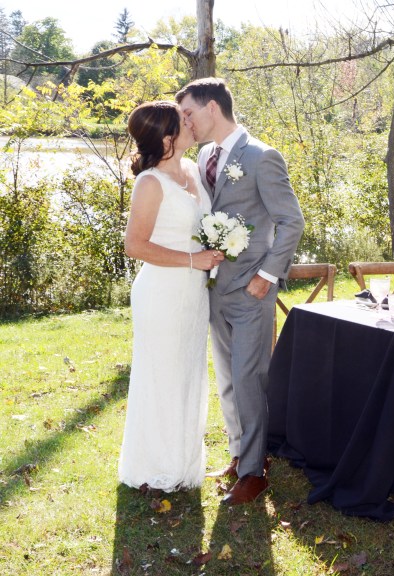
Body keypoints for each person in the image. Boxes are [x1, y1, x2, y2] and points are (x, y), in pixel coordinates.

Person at [176, 78, 305, 505]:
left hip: (251, 289)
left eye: (189, 113)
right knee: (229, 380)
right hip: (214, 288)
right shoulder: (205, 154)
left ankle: (255, 473)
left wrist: (267, 276)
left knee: (250, 379)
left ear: (212, 107)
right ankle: (239, 455)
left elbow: (291, 222)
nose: (186, 122)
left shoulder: (262, 156)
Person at [118, 101, 225, 492]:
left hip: (193, 294)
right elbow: (135, 245)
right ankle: (154, 467)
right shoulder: (150, 183)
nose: (190, 123)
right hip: (162, 293)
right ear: (167, 138)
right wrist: (194, 259)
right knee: (161, 375)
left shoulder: (194, 170)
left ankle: (183, 464)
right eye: (183, 121)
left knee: (188, 373)